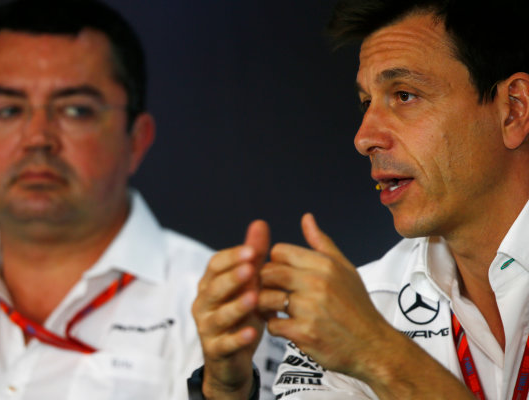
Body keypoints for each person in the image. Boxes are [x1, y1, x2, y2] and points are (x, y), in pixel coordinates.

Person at [0, 1, 283, 399]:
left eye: (76, 110)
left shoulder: (227, 308)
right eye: (8, 110)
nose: (37, 138)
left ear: (137, 139)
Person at [190, 0, 529, 398]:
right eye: (366, 102)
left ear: (512, 110)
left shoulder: (358, 330)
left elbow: (368, 345)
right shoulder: (354, 311)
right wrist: (226, 390)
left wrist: (379, 354)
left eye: (404, 95)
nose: (364, 137)